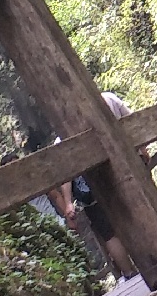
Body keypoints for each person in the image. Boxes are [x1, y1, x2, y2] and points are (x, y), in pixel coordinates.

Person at [49, 89, 136, 280]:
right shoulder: (107, 99)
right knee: (137, 216)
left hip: (93, 192)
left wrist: (69, 202)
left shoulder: (62, 138)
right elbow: (132, 122)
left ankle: (129, 273)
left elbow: (67, 175)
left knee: (109, 233)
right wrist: (142, 150)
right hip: (126, 173)